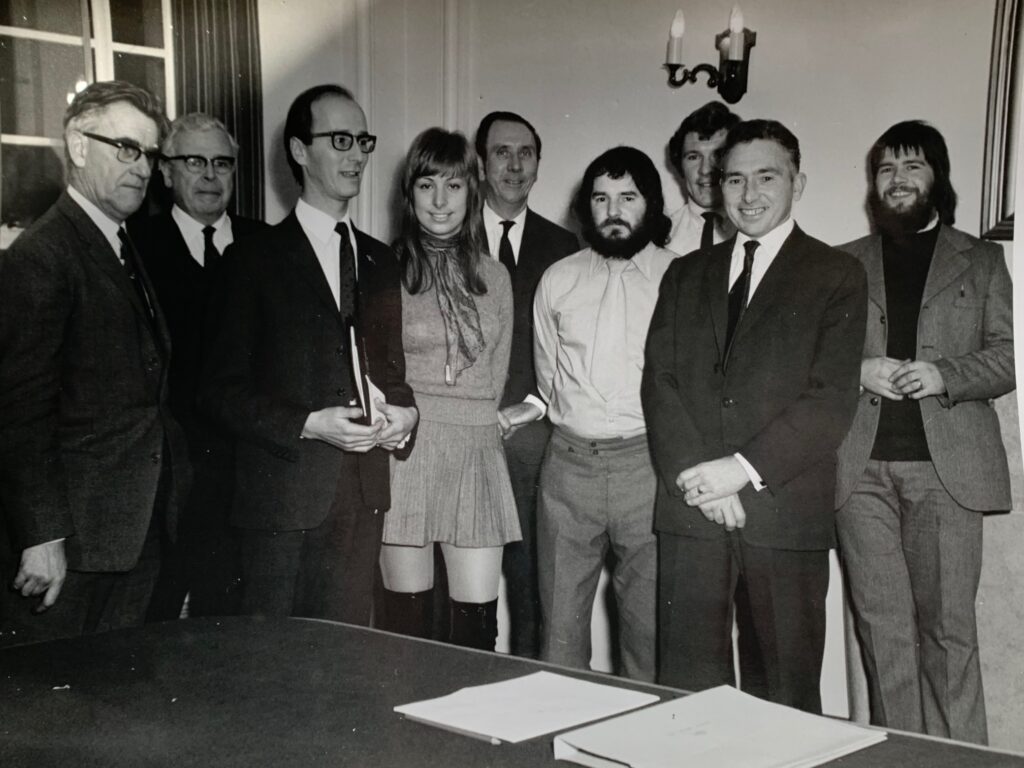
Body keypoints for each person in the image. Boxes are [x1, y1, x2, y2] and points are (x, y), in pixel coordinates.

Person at [642, 119, 867, 712]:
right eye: (733, 179)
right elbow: (659, 382)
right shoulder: (685, 273)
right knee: (686, 694)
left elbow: (829, 400)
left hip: (781, 511)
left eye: (766, 177)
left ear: (798, 182)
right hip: (692, 509)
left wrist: (738, 470)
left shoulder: (837, 275)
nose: (748, 194)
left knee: (786, 695)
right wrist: (703, 478)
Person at [200, 84, 417, 624]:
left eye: (362, 141)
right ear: (299, 151)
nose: (357, 155)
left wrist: (407, 417)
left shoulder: (378, 260)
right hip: (280, 501)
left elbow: (393, 374)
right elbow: (218, 391)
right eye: (339, 140)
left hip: (364, 496)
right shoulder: (250, 259)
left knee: (343, 664)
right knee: (272, 669)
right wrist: (309, 423)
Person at [835, 120, 1013, 744]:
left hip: (947, 473)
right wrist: (858, 370)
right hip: (860, 478)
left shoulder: (982, 258)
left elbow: (1009, 357)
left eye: (912, 167)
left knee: (948, 635)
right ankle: (900, 760)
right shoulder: (844, 262)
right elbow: (812, 358)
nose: (898, 180)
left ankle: (964, 760)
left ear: (937, 177)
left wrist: (944, 374)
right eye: (886, 169)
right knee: (883, 635)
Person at [0, 80, 187, 645]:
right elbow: (18, 411)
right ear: (78, 145)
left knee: (113, 701)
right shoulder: (42, 256)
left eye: (150, 154)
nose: (141, 168)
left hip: (128, 531)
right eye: (125, 148)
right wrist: (42, 536)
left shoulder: (117, 243)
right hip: (70, 549)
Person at [533, 146, 676, 681]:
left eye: (628, 197)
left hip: (648, 468)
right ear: (586, 207)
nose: (613, 210)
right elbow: (550, 375)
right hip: (569, 469)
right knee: (559, 637)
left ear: (650, 204)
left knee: (649, 635)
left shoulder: (680, 277)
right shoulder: (559, 279)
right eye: (601, 198)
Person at [377, 128, 518, 651]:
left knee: (476, 627)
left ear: (471, 193)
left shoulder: (495, 277)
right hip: (406, 454)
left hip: (476, 451)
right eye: (427, 185)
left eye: (454, 186)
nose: (440, 201)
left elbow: (495, 376)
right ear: (409, 193)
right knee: (407, 628)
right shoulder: (383, 269)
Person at [132, 113, 265, 620]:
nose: (210, 176)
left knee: (232, 630)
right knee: (152, 624)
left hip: (245, 477)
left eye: (222, 163)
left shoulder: (268, 247)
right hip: (165, 478)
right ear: (165, 172)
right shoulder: (136, 249)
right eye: (194, 162)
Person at [474, 110, 578, 657]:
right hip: (462, 440)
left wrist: (533, 407)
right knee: (465, 588)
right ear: (480, 161)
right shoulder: (446, 230)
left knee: (536, 586)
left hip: (535, 443)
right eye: (501, 152)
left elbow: (573, 351)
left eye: (525, 153)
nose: (514, 165)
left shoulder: (566, 247)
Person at [665, 101, 740, 256]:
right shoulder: (662, 236)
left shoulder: (757, 231)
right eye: (693, 157)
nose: (706, 170)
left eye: (718, 155)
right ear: (680, 166)